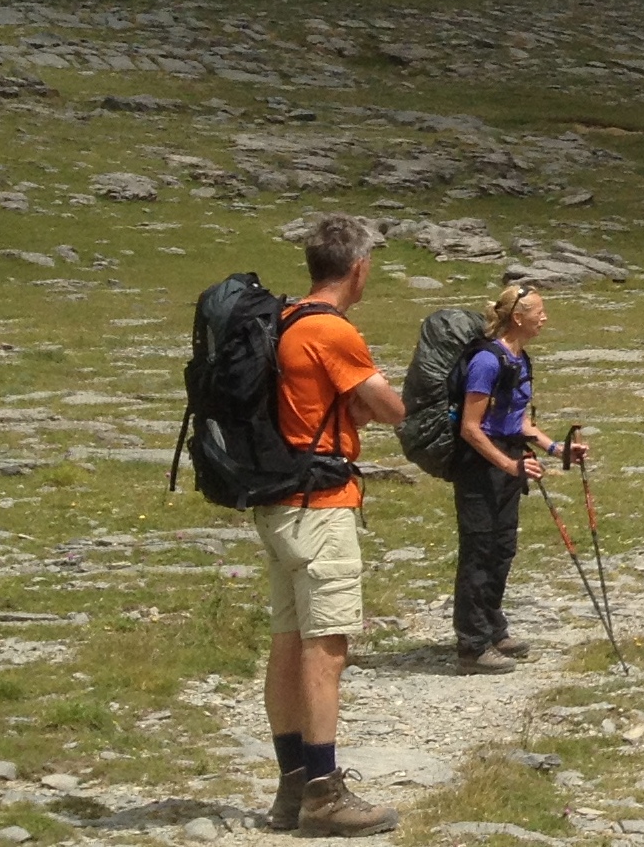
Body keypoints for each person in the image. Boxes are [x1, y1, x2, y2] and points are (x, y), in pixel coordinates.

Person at [259, 215, 404, 836]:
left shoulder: (284, 321)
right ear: (359, 267)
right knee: (328, 645)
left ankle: (292, 785)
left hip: (277, 500)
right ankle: (324, 792)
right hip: (320, 505)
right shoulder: (333, 330)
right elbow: (393, 408)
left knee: (289, 641)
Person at [452, 283, 590, 675]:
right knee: (479, 550)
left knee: (503, 547)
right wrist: (508, 465)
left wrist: (556, 450)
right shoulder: (486, 362)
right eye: (539, 312)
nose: (544, 318)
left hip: (509, 461)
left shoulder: (520, 359)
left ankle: (494, 629)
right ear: (518, 317)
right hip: (480, 466)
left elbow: (521, 421)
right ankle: (472, 645)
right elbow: (470, 427)